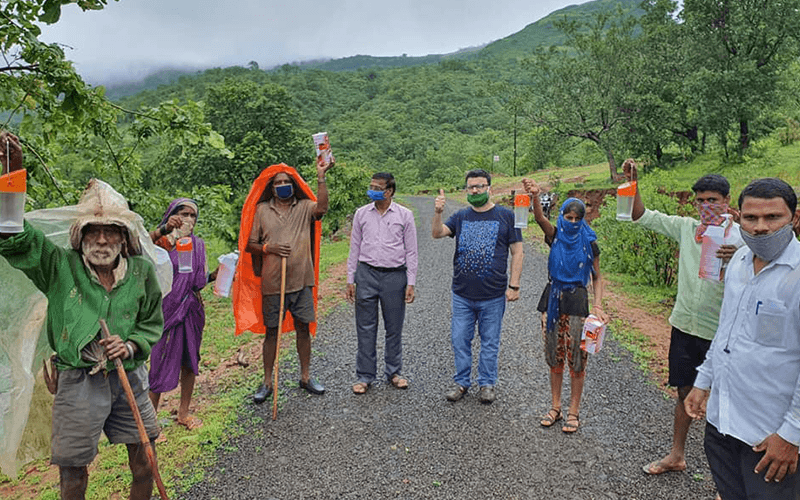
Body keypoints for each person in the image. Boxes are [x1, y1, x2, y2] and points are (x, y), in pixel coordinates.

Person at [0, 131, 163, 500]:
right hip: (77, 380)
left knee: (145, 461)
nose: (102, 240)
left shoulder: (140, 273)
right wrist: (12, 173)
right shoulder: (58, 266)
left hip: (130, 378)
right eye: (94, 232)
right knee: (72, 475)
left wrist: (133, 345)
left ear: (124, 238)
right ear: (80, 236)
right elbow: (13, 236)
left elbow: (152, 323)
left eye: (111, 232)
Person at [622, 159, 743, 476]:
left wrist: (744, 253)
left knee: (726, 403)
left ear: (726, 202)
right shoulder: (688, 228)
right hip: (685, 326)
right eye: (700, 200)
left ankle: (729, 477)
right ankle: (677, 454)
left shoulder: (743, 237)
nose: (705, 206)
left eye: (712, 200)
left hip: (722, 333)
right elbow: (641, 216)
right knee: (684, 393)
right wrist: (633, 183)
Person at [686, 177, 800, 499]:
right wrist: (703, 381)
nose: (760, 227)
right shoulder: (737, 262)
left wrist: (792, 435)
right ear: (739, 217)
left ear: (795, 218)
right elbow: (727, 329)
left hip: (770, 440)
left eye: (772, 217)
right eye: (751, 218)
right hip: (722, 424)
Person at [522, 179, 609, 433]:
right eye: (568, 217)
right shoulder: (555, 235)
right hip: (553, 299)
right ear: (562, 217)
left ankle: (574, 411)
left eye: (576, 219)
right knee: (554, 355)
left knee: (577, 359)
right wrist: (535, 197)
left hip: (578, 301)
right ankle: (556, 407)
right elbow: (539, 218)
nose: (572, 222)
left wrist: (599, 305)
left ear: (582, 220)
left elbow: (597, 277)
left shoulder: (589, 241)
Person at [244, 157, 334, 403]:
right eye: (277, 183)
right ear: (271, 188)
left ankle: (305, 377)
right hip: (273, 283)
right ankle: (266, 381)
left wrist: (321, 177)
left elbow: (322, 209)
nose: (282, 185)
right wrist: (269, 248)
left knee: (303, 328)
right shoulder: (262, 210)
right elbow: (250, 245)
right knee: (271, 332)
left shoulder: (305, 206)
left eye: (286, 182)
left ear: (293, 185)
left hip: (302, 280)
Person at [432, 169, 524, 404]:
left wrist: (514, 285)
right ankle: (462, 382)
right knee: (459, 339)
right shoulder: (461, 217)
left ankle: (487, 383)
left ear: (489, 188)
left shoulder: (506, 216)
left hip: (493, 294)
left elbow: (517, 251)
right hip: (462, 293)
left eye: (480, 186)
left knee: (490, 341)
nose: (475, 190)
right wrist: (438, 213)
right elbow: (437, 233)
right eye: (471, 187)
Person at [148, 198, 217, 431]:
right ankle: (151, 421)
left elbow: (198, 282)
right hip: (167, 311)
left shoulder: (197, 245)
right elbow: (137, 247)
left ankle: (184, 412)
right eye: (183, 214)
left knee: (190, 360)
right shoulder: (161, 242)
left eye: (192, 216)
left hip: (191, 310)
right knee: (160, 361)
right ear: (172, 215)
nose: (188, 219)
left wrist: (216, 275)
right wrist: (164, 229)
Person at [346, 173, 418, 394]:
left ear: (389, 191)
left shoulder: (405, 215)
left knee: (393, 327)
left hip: (395, 276)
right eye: (371, 186)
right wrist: (351, 278)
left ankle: (394, 372)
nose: (372, 190)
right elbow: (354, 247)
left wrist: (411, 282)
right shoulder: (361, 214)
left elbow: (412, 251)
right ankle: (365, 376)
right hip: (366, 274)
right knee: (365, 327)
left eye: (377, 187)